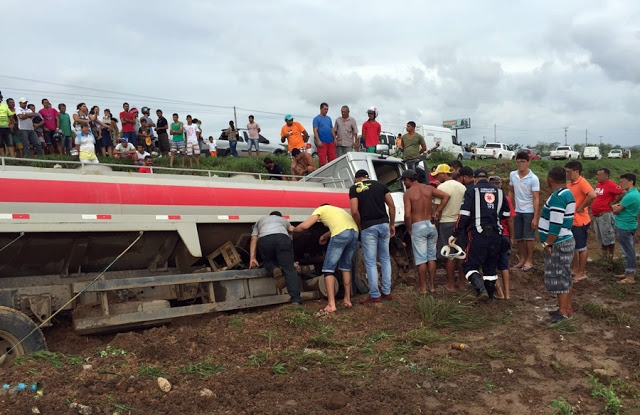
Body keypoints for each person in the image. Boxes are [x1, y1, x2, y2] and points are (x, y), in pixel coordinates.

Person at [450, 169, 511, 299]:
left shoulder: (472, 191)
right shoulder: (499, 192)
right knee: (490, 267)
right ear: (488, 179)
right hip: (496, 234)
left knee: (469, 265)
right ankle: (490, 297)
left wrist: (455, 233)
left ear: (475, 179)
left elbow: (464, 215)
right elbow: (506, 214)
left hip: (478, 234)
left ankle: (480, 289)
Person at [290, 204, 359, 313]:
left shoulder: (321, 209)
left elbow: (305, 226)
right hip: (354, 233)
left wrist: (294, 229)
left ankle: (331, 304)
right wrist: (324, 236)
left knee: (328, 269)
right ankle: (347, 300)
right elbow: (341, 227)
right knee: (345, 267)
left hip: (341, 234)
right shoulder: (339, 210)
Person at [349, 169, 396, 303]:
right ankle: (387, 292)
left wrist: (360, 225)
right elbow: (391, 206)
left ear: (357, 178)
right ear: (367, 177)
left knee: (370, 262)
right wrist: (391, 224)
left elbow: (354, 211)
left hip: (368, 227)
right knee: (385, 258)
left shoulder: (355, 188)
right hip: (383, 225)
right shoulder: (380, 185)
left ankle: (375, 295)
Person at [402, 169, 451, 294]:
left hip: (418, 226)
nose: (404, 183)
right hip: (430, 225)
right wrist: (437, 211)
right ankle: (432, 286)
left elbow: (407, 215)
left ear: (408, 180)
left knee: (421, 259)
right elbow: (446, 196)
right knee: (431, 257)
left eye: (404, 181)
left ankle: (423, 288)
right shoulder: (428, 188)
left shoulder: (408, 193)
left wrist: (408, 228)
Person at [538, 166, 576, 323]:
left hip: (558, 242)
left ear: (550, 179)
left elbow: (555, 223)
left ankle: (562, 312)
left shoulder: (558, 197)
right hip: (565, 239)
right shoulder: (567, 193)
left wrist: (548, 243)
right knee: (565, 276)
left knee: (559, 277)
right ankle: (566, 308)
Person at [249, 211, 303, 305]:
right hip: (282, 238)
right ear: (280, 216)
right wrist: (291, 262)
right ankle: (295, 299)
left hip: (265, 239)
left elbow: (254, 238)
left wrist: (252, 258)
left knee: (268, 261)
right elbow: (291, 232)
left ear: (269, 215)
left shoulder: (260, 220)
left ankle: (274, 269)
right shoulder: (284, 220)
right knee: (289, 268)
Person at [432, 164, 467, 291]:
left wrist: (436, 227)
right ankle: (462, 284)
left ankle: (451, 284)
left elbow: (437, 209)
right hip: (461, 223)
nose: (437, 178)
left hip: (446, 223)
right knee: (461, 254)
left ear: (443, 174)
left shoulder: (441, 187)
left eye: (438, 175)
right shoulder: (462, 187)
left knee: (449, 255)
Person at [508, 151, 540, 273]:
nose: (520, 164)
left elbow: (536, 198)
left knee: (529, 238)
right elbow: (511, 191)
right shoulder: (513, 175)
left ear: (528, 162)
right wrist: (508, 206)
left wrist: (535, 217)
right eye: (518, 161)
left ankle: (529, 261)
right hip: (517, 211)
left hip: (529, 211)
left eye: (523, 161)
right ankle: (522, 259)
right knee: (519, 237)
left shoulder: (533, 178)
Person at [565, 161, 596, 283]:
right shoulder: (570, 184)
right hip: (571, 221)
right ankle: (575, 269)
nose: (566, 174)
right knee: (573, 247)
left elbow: (592, 195)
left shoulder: (582, 182)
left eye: (568, 171)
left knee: (581, 247)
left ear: (576, 171)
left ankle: (582, 272)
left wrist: (582, 206)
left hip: (580, 222)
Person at [489, 175, 515, 300]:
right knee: (504, 265)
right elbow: (510, 219)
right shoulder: (506, 199)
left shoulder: (487, 199)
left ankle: (500, 292)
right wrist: (511, 237)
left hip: (492, 236)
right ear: (500, 185)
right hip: (504, 235)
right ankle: (508, 294)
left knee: (490, 265)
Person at [612, 173, 640, 284]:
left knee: (628, 251)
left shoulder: (630, 196)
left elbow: (616, 210)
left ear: (631, 181)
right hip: (628, 225)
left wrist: (616, 206)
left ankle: (630, 276)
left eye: (622, 181)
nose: (620, 184)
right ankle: (628, 272)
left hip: (625, 226)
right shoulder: (634, 193)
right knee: (629, 250)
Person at [591, 168, 623, 257]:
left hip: (605, 215)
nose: (598, 176)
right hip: (597, 215)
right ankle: (604, 257)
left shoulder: (611, 185)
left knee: (608, 238)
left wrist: (614, 202)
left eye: (600, 175)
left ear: (606, 175)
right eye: (597, 174)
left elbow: (622, 192)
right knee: (601, 238)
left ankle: (610, 258)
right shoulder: (598, 185)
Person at [313, 102, 337, 167]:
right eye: (325, 109)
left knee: (333, 160)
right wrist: (318, 141)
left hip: (330, 142)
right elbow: (315, 130)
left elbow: (331, 128)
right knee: (322, 161)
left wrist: (335, 139)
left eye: (327, 109)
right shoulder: (316, 119)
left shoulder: (328, 118)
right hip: (322, 142)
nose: (326, 111)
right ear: (321, 109)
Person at [0, 92, 14, 157]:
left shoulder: (4, 106)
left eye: (0, 98)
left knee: (10, 143)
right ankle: (3, 158)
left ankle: (12, 158)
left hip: (6, 127)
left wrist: (12, 123)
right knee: (0, 144)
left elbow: (11, 115)